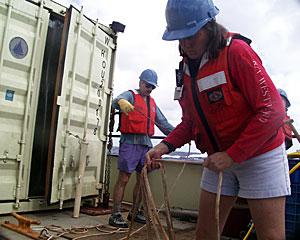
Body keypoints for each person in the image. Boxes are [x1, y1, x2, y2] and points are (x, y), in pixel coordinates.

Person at [145, 1, 290, 239]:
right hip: (217, 158)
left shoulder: (237, 53)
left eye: (191, 35)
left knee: (270, 235)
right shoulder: (186, 70)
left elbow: (273, 110)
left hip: (260, 154)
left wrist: (233, 155)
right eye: (180, 38)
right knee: (205, 233)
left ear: (209, 27)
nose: (186, 44)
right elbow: (191, 122)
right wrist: (164, 146)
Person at [109, 69, 174, 228]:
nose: (150, 89)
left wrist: (182, 134)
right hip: (129, 143)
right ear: (140, 82)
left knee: (142, 180)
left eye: (152, 87)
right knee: (124, 178)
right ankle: (115, 214)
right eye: (147, 85)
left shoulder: (152, 103)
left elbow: (164, 124)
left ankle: (135, 212)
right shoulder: (130, 95)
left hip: (146, 146)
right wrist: (120, 103)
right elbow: (116, 100)